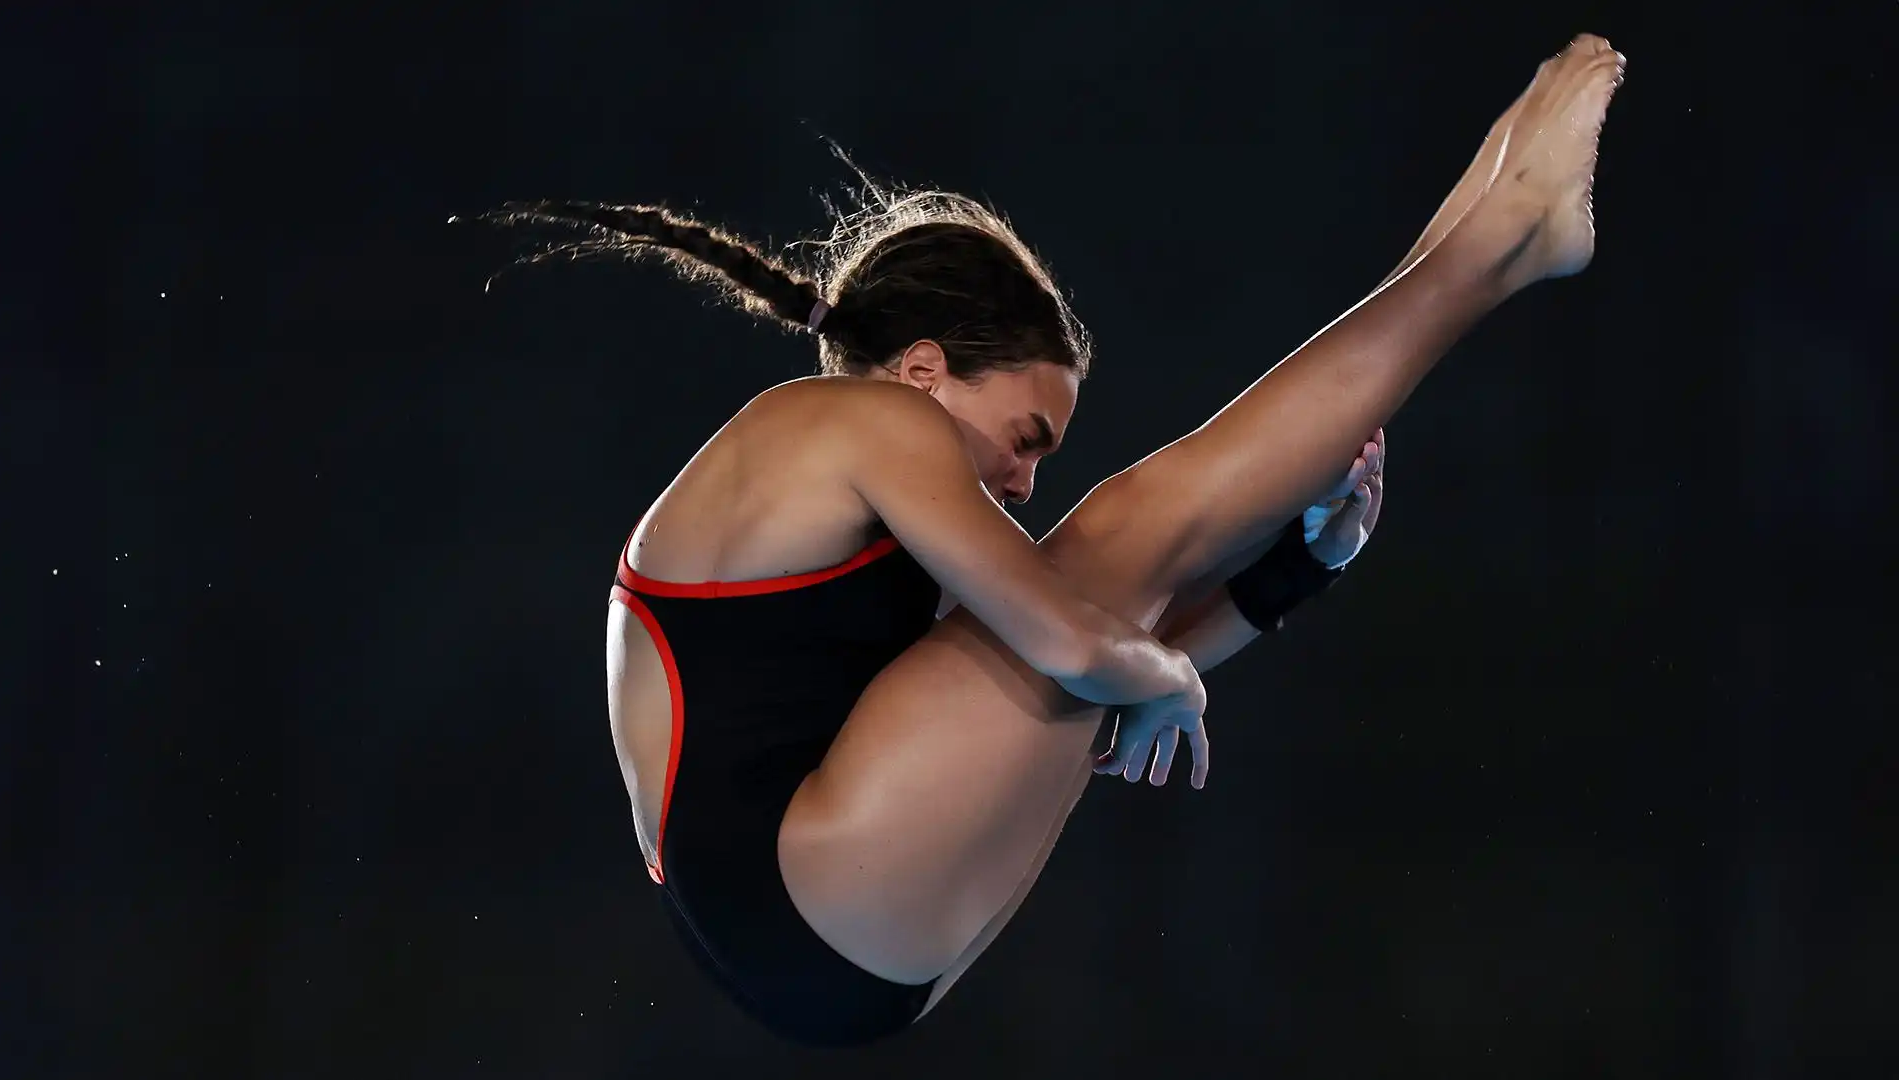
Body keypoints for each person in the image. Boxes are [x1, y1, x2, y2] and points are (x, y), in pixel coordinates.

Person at [470, 34, 1624, 1046]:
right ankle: (1498, 245)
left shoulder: (827, 521)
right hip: (810, 891)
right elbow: (1087, 650)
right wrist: (1154, 671)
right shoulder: (849, 419)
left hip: (831, 949)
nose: (1020, 482)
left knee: (1094, 577)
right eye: (1024, 436)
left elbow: (1094, 695)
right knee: (1122, 527)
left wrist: (1293, 575)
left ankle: (1481, 237)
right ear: (925, 369)